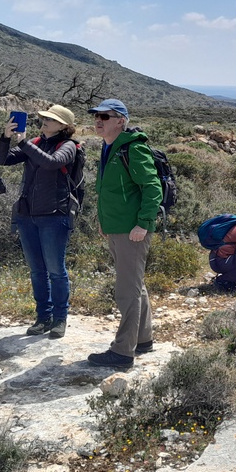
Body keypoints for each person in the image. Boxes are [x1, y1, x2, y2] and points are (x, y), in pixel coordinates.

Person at [86, 99, 163, 368]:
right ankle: (142, 340)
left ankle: (121, 353)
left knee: (126, 291)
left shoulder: (133, 148)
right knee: (135, 285)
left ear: (121, 120)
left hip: (132, 231)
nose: (98, 120)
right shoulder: (110, 148)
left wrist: (143, 223)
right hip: (117, 228)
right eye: (96, 116)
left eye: (105, 116)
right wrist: (104, 222)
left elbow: (153, 189)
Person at [0, 104, 80, 339]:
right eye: (43, 118)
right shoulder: (34, 143)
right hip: (27, 216)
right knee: (37, 271)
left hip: (54, 216)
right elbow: (3, 160)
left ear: (64, 126)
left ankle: (59, 318)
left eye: (50, 119)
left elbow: (52, 163)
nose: (44, 121)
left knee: (55, 270)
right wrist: (5, 138)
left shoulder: (69, 147)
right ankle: (43, 317)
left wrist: (23, 143)